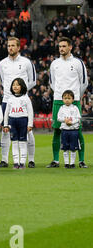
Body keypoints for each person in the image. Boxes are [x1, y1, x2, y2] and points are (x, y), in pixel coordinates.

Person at [47, 37, 89, 168]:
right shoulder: (54, 64)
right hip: (58, 100)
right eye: (60, 46)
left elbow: (84, 83)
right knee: (57, 130)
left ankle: (81, 161)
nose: (61, 49)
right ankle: (56, 160)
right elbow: (52, 82)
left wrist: (76, 97)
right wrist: (60, 95)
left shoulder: (78, 63)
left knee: (78, 130)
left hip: (75, 100)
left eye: (64, 46)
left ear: (70, 47)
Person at [0, 37, 36, 168]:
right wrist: (12, 95)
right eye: (9, 46)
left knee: (28, 131)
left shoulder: (26, 62)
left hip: (23, 101)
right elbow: (3, 81)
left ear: (19, 47)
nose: (10, 48)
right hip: (7, 100)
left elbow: (33, 81)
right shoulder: (2, 63)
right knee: (5, 130)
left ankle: (30, 160)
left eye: (13, 45)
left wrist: (21, 93)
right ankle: (4, 160)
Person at [3, 78, 34, 169]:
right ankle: (16, 162)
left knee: (23, 142)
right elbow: (6, 112)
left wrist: (30, 124)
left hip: (23, 121)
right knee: (14, 142)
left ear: (22, 86)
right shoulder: (10, 99)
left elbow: (30, 112)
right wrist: (5, 124)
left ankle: (22, 163)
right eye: (13, 85)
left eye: (17, 85)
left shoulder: (26, 98)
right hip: (12, 121)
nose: (15, 86)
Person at [57, 90, 82, 169]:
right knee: (65, 148)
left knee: (73, 148)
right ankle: (66, 163)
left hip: (73, 131)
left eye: (69, 98)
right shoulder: (61, 108)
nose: (67, 100)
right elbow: (58, 118)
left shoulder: (75, 108)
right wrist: (65, 121)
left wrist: (71, 122)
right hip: (64, 130)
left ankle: (72, 163)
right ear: (62, 99)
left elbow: (78, 118)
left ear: (73, 99)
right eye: (65, 98)